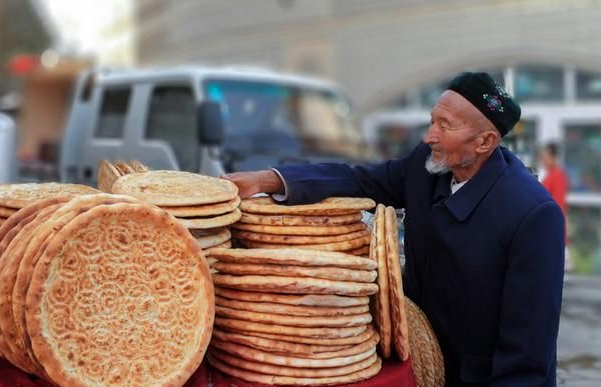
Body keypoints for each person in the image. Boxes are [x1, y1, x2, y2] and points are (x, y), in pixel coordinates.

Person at [224, 72, 565, 387]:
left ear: (484, 142)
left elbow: (527, 355)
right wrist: (267, 179)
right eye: (432, 120)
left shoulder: (532, 214)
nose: (429, 136)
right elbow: (359, 179)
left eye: (444, 126)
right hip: (416, 361)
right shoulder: (426, 167)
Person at [540, 142, 570, 271]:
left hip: (552, 221)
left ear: (554, 157)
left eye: (545, 157)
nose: (543, 160)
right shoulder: (550, 175)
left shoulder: (557, 176)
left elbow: (558, 203)